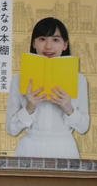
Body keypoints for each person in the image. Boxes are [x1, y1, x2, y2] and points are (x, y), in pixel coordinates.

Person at [6, 17, 89, 159]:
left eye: (55, 40)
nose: (48, 46)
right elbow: (11, 129)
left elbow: (83, 128)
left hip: (65, 149)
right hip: (29, 149)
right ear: (34, 43)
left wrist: (68, 108)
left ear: (65, 45)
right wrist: (29, 107)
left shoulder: (79, 79)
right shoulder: (19, 79)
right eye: (42, 39)